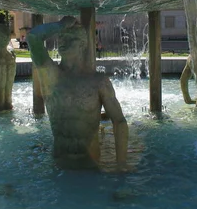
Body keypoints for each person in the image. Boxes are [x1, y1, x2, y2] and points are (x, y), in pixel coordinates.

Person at [27, 16, 128, 170]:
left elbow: (119, 121)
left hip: (90, 166)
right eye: (61, 37)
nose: (62, 41)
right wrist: (60, 26)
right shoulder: (51, 76)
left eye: (69, 37)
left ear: (82, 44)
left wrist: (121, 166)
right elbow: (33, 37)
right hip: (59, 165)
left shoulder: (98, 82)